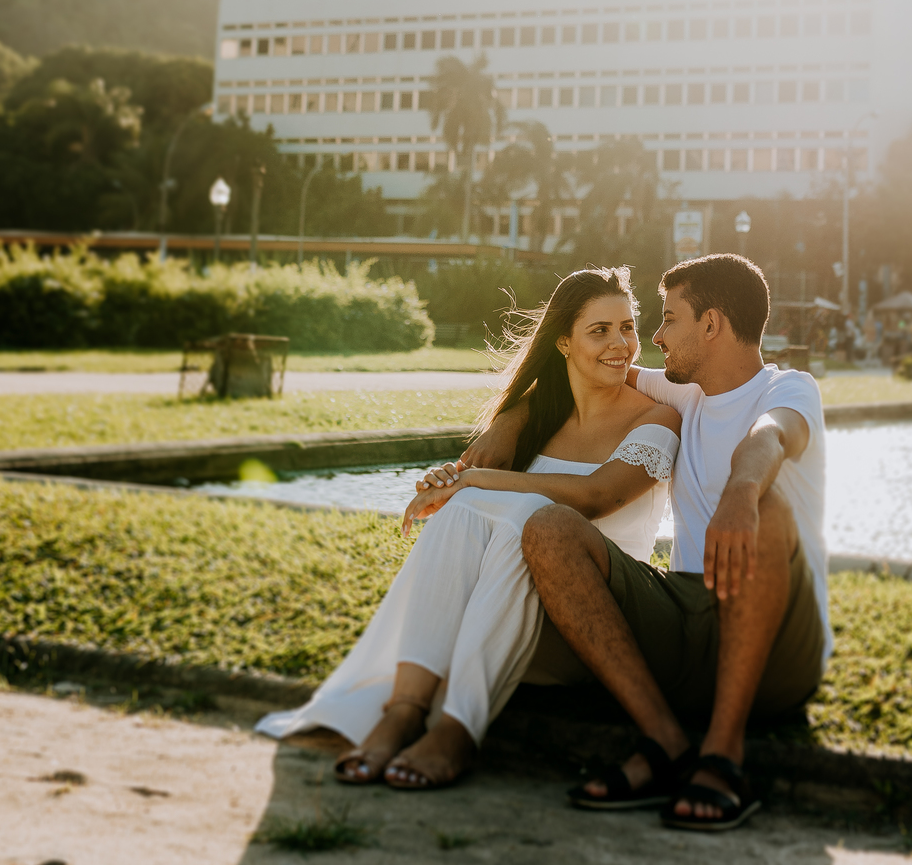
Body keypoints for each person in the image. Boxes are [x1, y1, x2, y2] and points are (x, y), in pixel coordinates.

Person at [256, 267, 680, 791]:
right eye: (600, 330)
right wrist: (459, 482)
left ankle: (458, 726)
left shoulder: (657, 420)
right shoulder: (535, 415)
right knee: (467, 509)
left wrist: (476, 479)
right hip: (500, 615)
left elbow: (597, 498)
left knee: (520, 517)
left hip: (589, 621)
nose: (621, 344)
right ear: (564, 344)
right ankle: (405, 711)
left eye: (628, 327)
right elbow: (478, 497)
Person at [467, 252, 828, 833]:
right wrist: (510, 421)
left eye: (669, 319)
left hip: (778, 641)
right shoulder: (685, 394)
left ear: (710, 325)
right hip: (687, 618)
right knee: (550, 527)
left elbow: (772, 436)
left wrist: (741, 488)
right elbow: (589, 371)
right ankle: (664, 743)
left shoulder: (788, 389)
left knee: (770, 506)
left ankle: (723, 756)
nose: (652, 337)